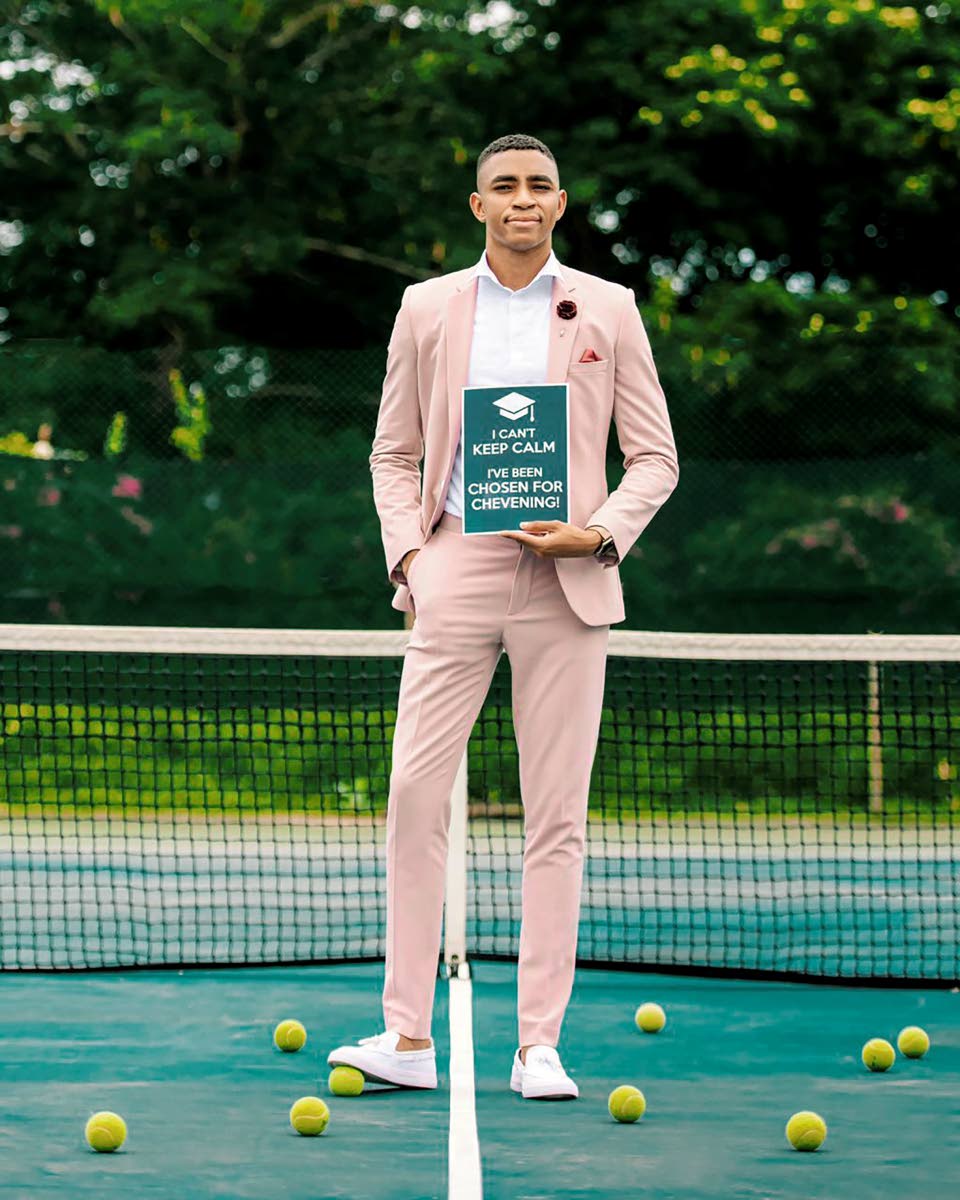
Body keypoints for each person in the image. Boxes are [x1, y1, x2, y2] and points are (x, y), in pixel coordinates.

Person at [327, 132, 678, 1100]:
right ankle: (406, 1036)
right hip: (456, 570)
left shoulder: (609, 307)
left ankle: (539, 1048)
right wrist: (413, 558)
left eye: (539, 186)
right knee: (412, 796)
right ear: (478, 205)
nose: (523, 199)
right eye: (504, 187)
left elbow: (655, 457)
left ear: (559, 204)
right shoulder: (427, 306)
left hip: (569, 581)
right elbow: (393, 453)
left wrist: (597, 534)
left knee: (556, 817)